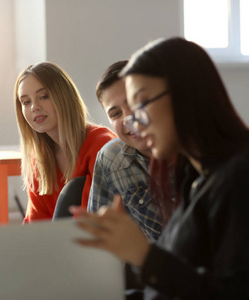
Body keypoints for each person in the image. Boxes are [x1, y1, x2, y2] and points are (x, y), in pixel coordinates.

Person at [72, 37, 249, 299]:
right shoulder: (194, 178)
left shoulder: (238, 179)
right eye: (117, 113)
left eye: (141, 104)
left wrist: (144, 255)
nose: (135, 123)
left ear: (185, 94)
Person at [14, 62, 116, 223]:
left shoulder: (101, 145)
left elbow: (90, 221)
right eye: (26, 102)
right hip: (57, 243)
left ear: (64, 97)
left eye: (43, 96)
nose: (34, 107)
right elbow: (35, 226)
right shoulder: (38, 158)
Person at [88, 60, 163, 241]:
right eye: (115, 114)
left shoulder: (195, 155)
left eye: (134, 102)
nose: (128, 118)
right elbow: (98, 236)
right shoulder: (111, 158)